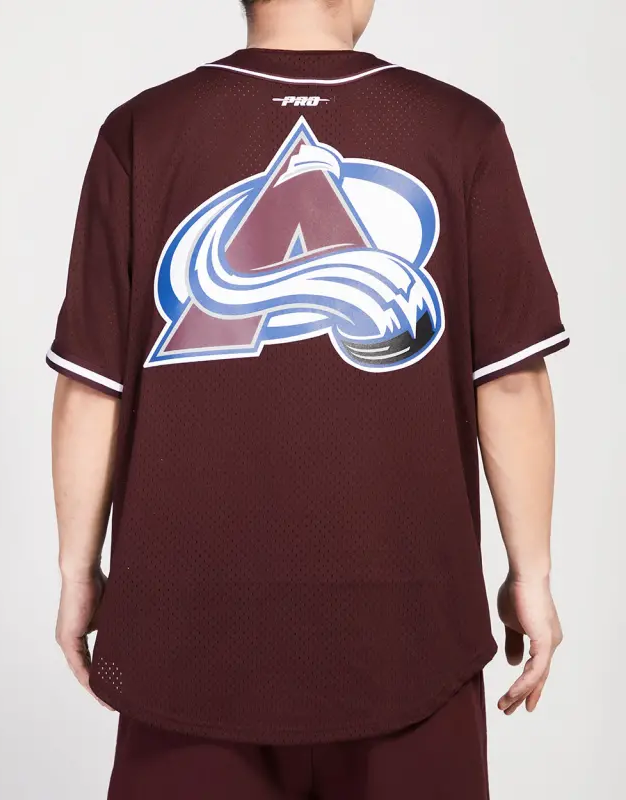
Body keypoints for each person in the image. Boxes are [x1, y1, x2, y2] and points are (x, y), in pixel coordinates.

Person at [47, 0, 568, 797]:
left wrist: (78, 573)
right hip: (410, 639)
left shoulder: (141, 132)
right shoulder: (460, 131)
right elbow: (511, 380)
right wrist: (531, 576)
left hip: (187, 643)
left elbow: (91, 389)